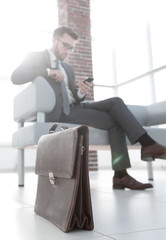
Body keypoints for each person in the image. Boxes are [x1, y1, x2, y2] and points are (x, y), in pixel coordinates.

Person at [11, 26, 166, 190]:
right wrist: (48, 71)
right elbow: (16, 77)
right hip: (61, 114)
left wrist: (81, 92)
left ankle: (142, 150)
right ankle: (126, 170)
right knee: (115, 119)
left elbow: (74, 97)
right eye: (65, 45)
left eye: (71, 48)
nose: (68, 51)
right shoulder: (37, 57)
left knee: (116, 102)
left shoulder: (68, 68)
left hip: (77, 107)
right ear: (54, 40)